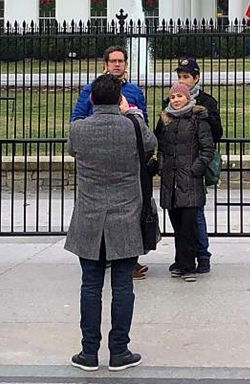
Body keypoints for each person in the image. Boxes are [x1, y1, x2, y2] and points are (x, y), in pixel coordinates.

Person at [65, 73, 153, 372]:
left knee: (90, 286)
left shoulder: (79, 129)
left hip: (89, 215)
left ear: (91, 98)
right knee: (123, 286)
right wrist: (132, 112)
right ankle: (119, 350)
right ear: (120, 99)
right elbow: (151, 145)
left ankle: (88, 351)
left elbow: (73, 150)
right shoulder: (133, 125)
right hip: (125, 214)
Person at [71, 46, 150, 279]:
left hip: (125, 157)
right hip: (98, 154)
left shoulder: (134, 91)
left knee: (128, 211)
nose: (117, 65)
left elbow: (143, 122)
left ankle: (128, 257)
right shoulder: (92, 89)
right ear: (105, 64)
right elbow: (77, 118)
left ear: (126, 64)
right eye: (113, 61)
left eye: (120, 61)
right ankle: (103, 254)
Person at [157, 57, 222, 274]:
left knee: (195, 217)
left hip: (192, 169)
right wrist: (162, 165)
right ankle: (184, 259)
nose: (182, 81)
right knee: (179, 219)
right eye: (179, 77)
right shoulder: (169, 105)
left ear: (196, 78)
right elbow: (160, 136)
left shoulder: (206, 102)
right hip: (174, 172)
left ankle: (202, 256)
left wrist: (196, 168)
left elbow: (215, 135)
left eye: (186, 77)